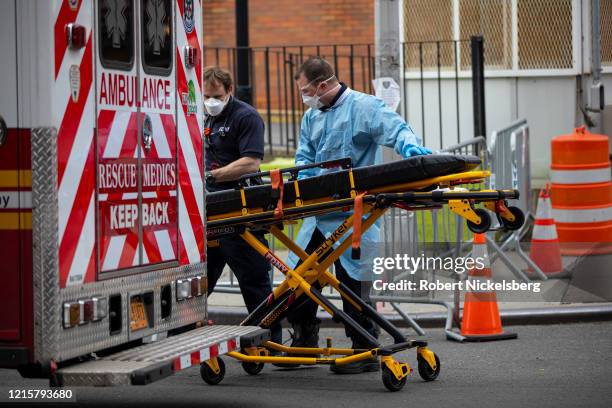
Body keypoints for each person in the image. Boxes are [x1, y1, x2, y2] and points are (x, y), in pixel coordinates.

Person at [285, 57, 431, 374]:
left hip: (354, 215)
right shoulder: (311, 117)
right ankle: (304, 339)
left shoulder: (365, 108)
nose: (304, 96)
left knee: (354, 285)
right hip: (318, 213)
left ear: (322, 85)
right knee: (299, 280)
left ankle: (364, 347)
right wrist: (292, 184)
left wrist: (412, 151)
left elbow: (396, 129)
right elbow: (304, 157)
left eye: (305, 89)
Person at [203, 66, 281, 344]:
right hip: (209, 213)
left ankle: (270, 341)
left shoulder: (245, 117)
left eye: (217, 95)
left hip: (239, 212)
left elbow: (251, 162)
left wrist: (213, 175)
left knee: (255, 282)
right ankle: (180, 336)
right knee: (196, 284)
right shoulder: (203, 118)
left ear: (229, 91)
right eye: (207, 96)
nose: (211, 101)